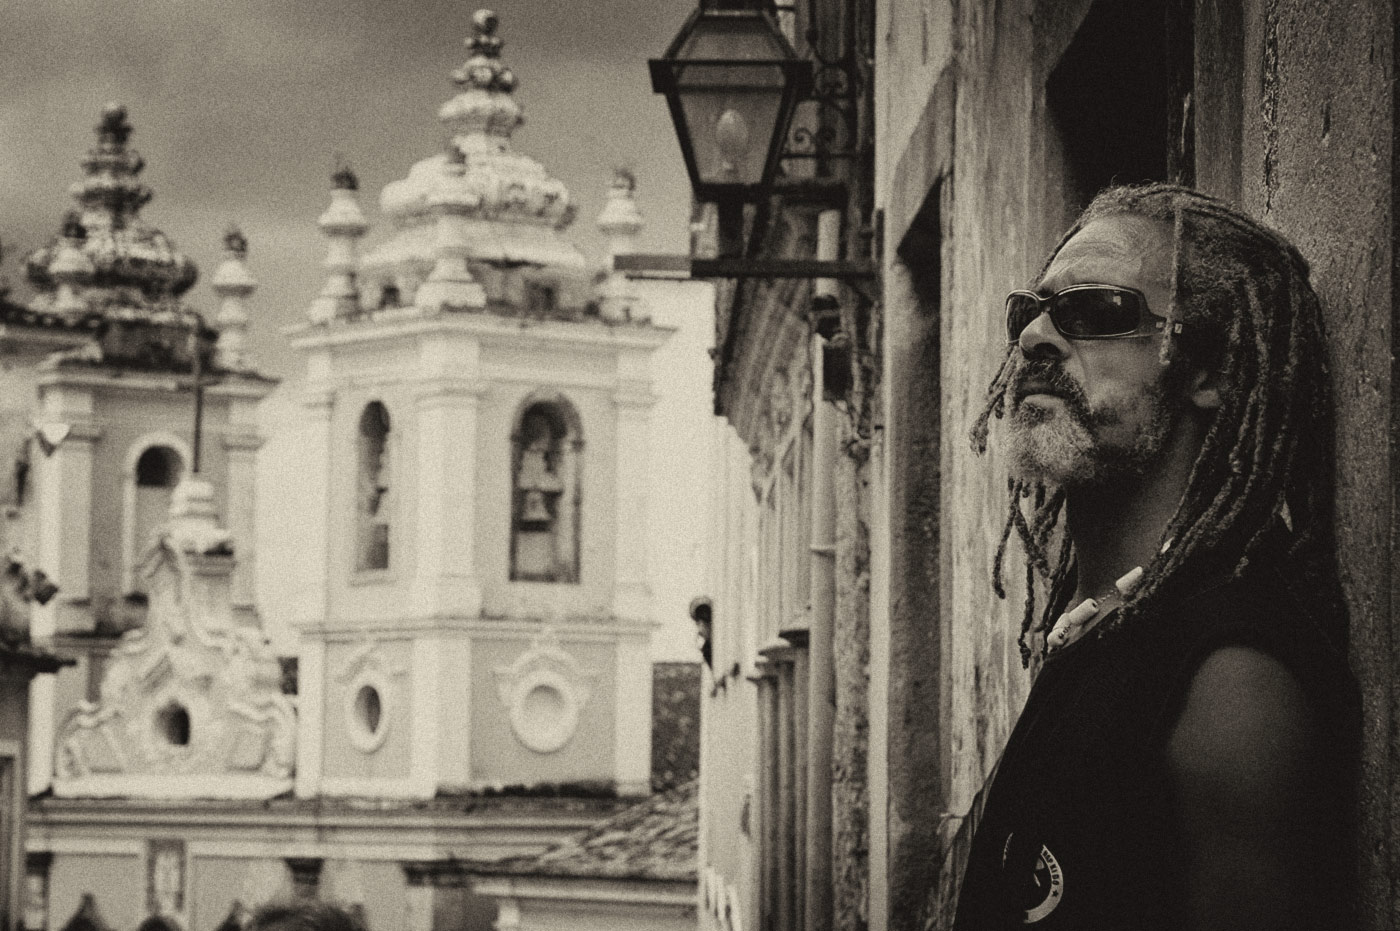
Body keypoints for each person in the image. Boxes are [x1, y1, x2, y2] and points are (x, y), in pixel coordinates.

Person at [952, 184, 1360, 931]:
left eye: (1098, 312)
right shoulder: (1095, 627)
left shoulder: (1231, 681)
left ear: (1210, 372)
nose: (1038, 337)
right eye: (1030, 312)